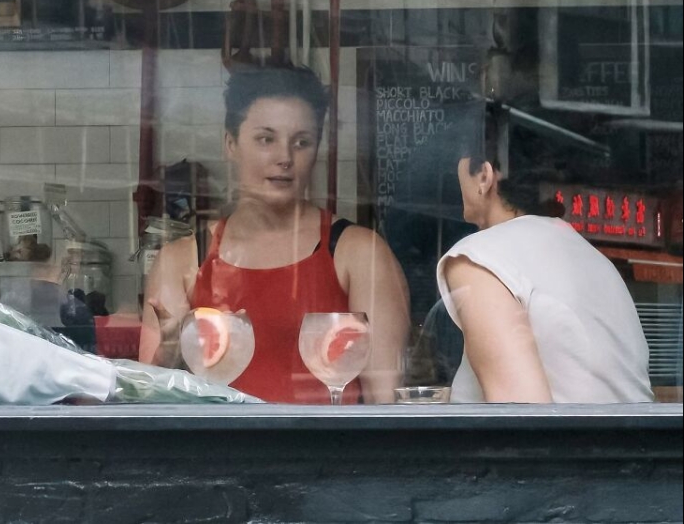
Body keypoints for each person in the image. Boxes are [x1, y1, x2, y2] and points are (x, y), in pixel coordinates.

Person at [139, 66, 410, 404]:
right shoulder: (180, 260)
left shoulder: (358, 252)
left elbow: (385, 404)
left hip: (332, 454)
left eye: (301, 142)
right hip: (218, 455)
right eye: (266, 139)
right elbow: (151, 405)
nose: (284, 158)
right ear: (230, 143)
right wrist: (168, 356)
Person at [436, 106, 653, 403]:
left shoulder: (478, 257)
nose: (453, 176)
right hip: (632, 446)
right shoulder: (591, 257)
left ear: (485, 176)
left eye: (457, 164)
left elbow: (520, 417)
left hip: (562, 449)